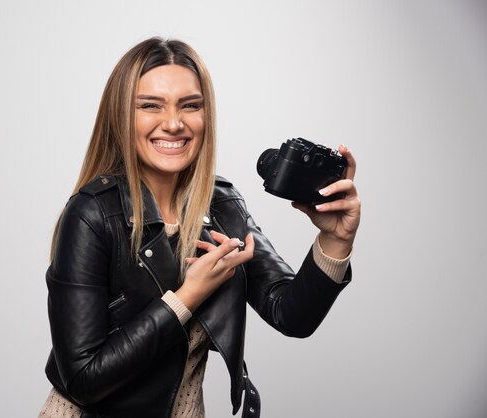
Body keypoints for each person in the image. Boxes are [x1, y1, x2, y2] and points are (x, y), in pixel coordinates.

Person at [39, 37, 361, 418]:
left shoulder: (221, 204)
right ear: (121, 116)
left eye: (190, 106)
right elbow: (82, 379)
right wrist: (187, 296)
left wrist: (335, 239)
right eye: (150, 106)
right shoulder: (91, 215)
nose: (174, 123)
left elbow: (290, 315)